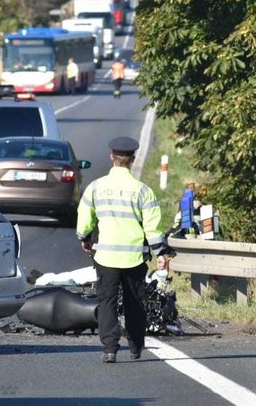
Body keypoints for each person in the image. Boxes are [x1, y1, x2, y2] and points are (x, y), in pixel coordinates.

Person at [76, 136, 165, 363]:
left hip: (105, 257)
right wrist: (161, 253)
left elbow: (85, 219)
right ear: (133, 160)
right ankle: (136, 348)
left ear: (111, 158)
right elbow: (152, 227)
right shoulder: (143, 191)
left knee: (107, 303)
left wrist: (84, 238)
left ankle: (109, 349)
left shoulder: (96, 187)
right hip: (134, 257)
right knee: (135, 303)